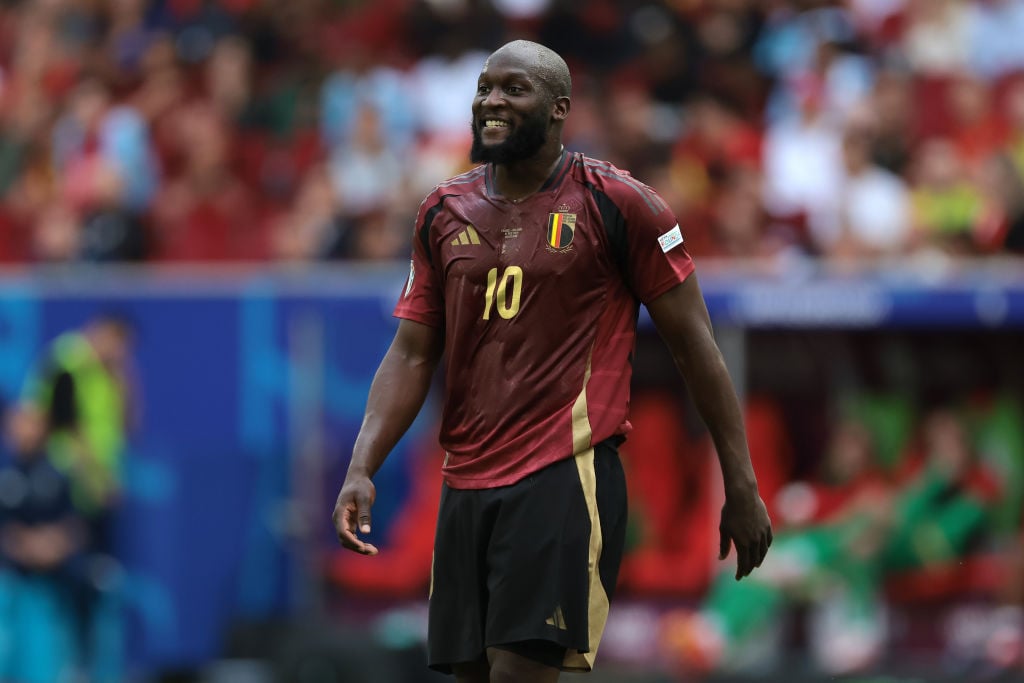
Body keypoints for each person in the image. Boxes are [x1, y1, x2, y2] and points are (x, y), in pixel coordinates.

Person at [332, 40, 773, 682]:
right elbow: (412, 350)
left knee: (520, 674)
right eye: (485, 87)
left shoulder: (620, 204)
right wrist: (361, 465)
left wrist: (741, 482)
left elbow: (696, 344)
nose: (492, 101)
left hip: (564, 476)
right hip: (466, 482)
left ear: (559, 108)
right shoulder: (442, 210)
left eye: (514, 89)